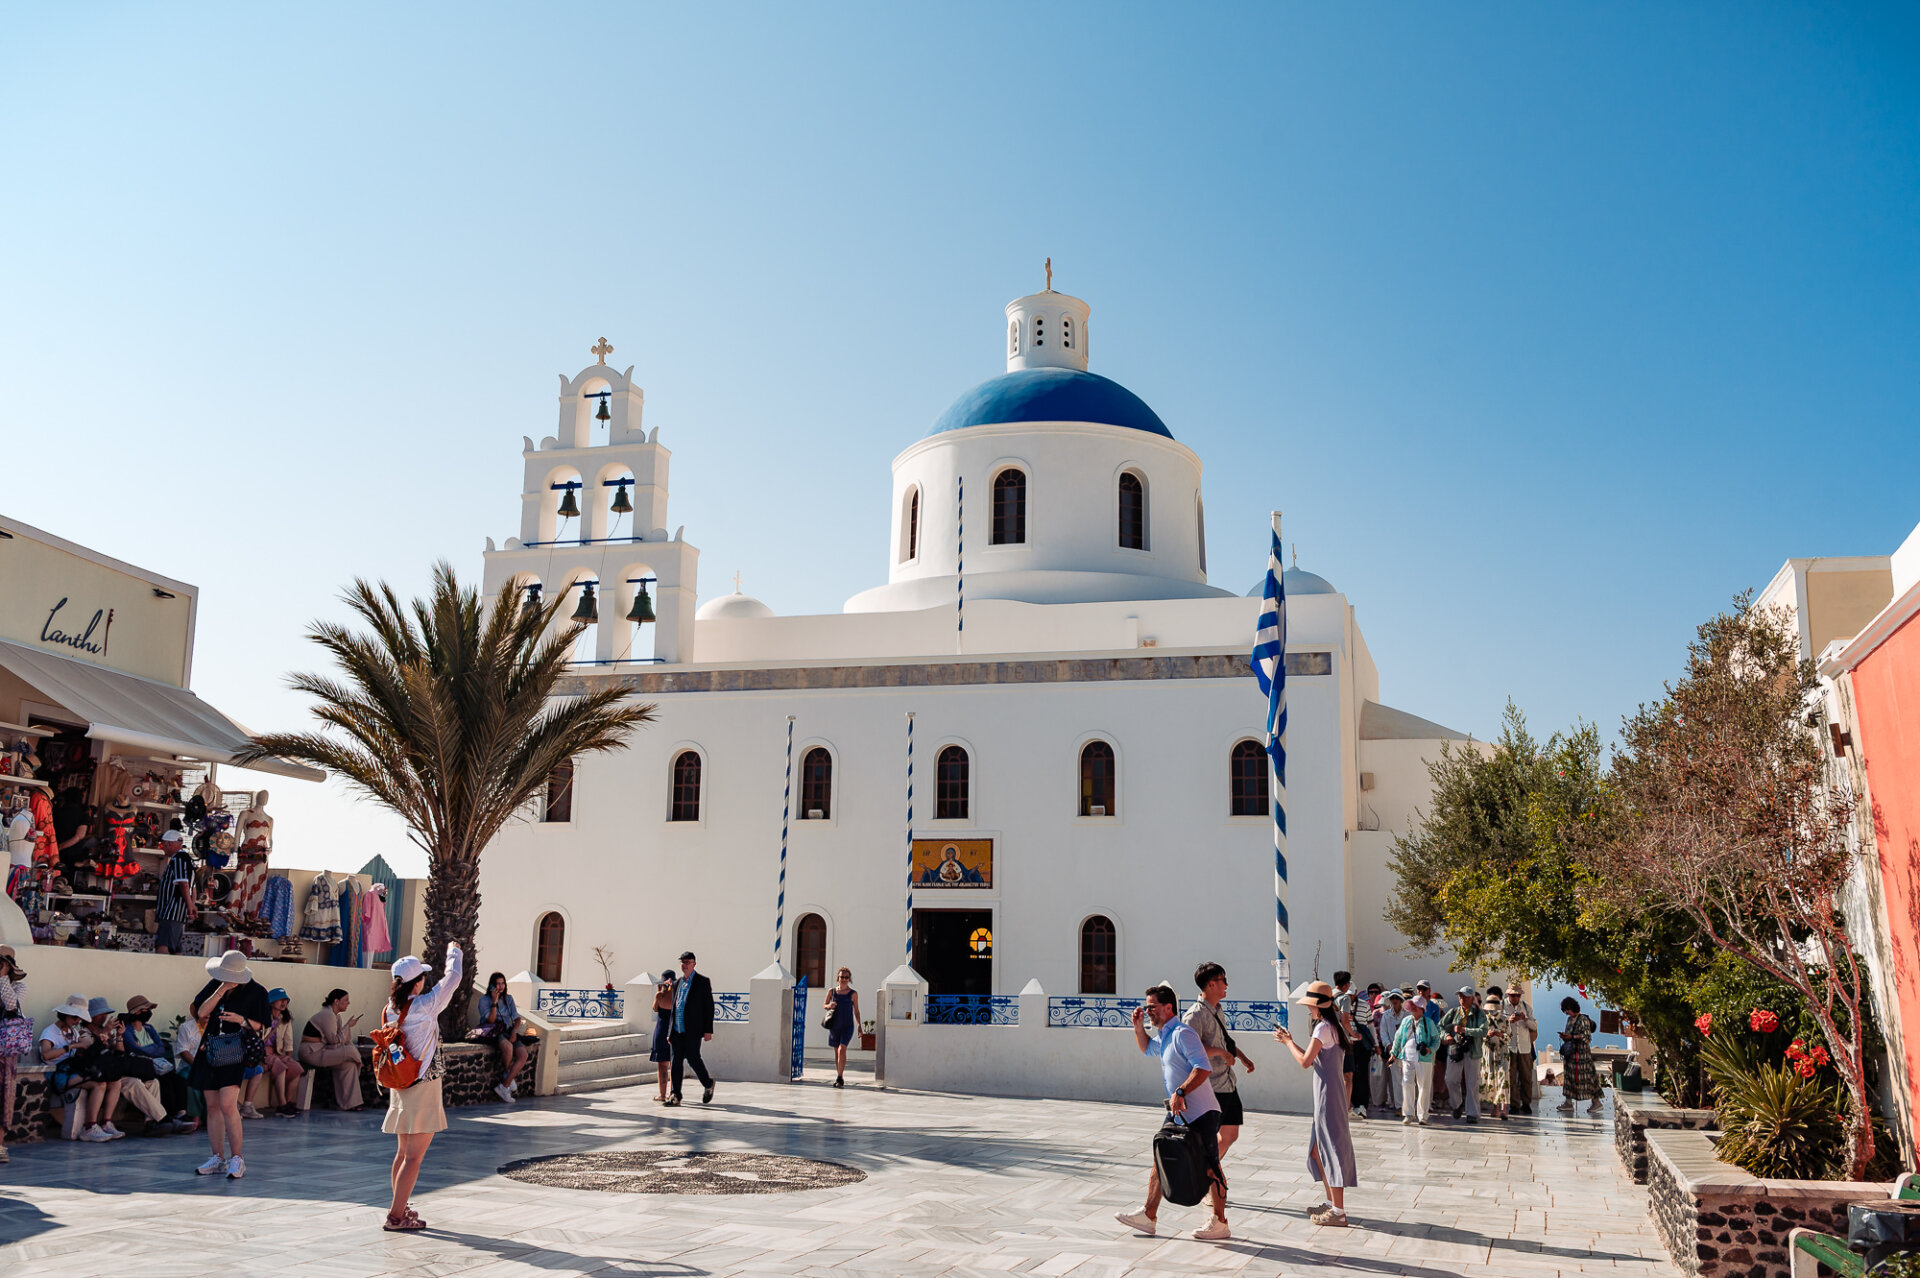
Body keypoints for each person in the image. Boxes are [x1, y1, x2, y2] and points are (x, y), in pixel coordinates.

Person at [1116, 983, 1230, 1242]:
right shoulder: (1165, 1035)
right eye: (1146, 1007)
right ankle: (1148, 1215)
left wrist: (1181, 1091)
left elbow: (1203, 1067)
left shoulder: (1183, 1033)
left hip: (1201, 1112)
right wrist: (1138, 1028)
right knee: (1160, 1156)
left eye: (1152, 1007)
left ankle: (1220, 1222)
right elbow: (1146, 1048)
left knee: (1210, 1166)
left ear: (1168, 1007)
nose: (1148, 1012)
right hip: (1180, 1111)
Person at [382, 942, 464, 1232]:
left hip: (400, 1085)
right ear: (417, 982)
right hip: (423, 1085)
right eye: (423, 978)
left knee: (403, 1154)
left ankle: (400, 1207)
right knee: (414, 1157)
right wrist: (454, 951)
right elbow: (453, 978)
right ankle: (396, 1216)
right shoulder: (425, 1006)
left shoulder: (390, 1009)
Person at [1277, 981, 1358, 1226]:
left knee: (1330, 1151)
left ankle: (1338, 1211)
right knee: (1317, 1152)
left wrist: (1287, 1043)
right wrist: (1291, 1042)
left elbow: (1304, 1062)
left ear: (1317, 1006)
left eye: (1310, 1005)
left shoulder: (1323, 1028)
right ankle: (1333, 1204)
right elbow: (1313, 1058)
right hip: (1328, 1094)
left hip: (1327, 1096)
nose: (1308, 1009)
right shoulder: (1331, 1027)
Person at [189, 949, 271, 1178]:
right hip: (211, 1048)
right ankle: (217, 1157)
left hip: (235, 1051)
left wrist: (241, 1020)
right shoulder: (216, 984)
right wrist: (221, 990)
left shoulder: (257, 992)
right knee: (212, 1105)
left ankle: (237, 1158)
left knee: (227, 1104)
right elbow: (201, 1012)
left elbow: (263, 1025)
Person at [1184, 961, 1255, 1162]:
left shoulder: (1217, 1010)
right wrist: (1221, 1053)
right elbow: (1190, 1050)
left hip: (1227, 1083)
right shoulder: (1194, 1015)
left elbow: (1222, 1040)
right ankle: (1202, 1170)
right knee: (1205, 1137)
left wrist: (1241, 1057)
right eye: (1223, 980)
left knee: (1230, 1134)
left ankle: (1208, 1169)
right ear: (1211, 984)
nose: (1227, 984)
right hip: (1210, 1087)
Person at [40, 993, 121, 1141]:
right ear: (64, 1014)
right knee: (99, 1084)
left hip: (73, 1069)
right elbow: (46, 1055)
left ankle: (106, 1122)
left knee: (114, 1082)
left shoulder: (73, 1032)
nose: (77, 1021)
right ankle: (89, 1127)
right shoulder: (50, 1032)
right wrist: (72, 1046)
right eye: (74, 1017)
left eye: (78, 1018)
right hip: (58, 1074)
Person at [122, 995, 193, 1133]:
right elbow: (134, 1048)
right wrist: (151, 1048)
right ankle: (169, 1117)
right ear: (137, 1011)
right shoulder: (127, 1031)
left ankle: (181, 1114)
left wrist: (146, 1048)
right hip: (143, 1067)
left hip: (157, 1065)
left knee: (178, 1079)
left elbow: (161, 1048)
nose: (149, 1012)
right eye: (146, 1009)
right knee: (163, 1081)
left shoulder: (149, 1028)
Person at [299, 989, 365, 1111]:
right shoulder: (327, 1015)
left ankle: (350, 1104)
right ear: (336, 1001)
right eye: (346, 1000)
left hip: (323, 1050)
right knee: (350, 1051)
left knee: (349, 1065)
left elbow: (342, 1040)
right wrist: (348, 1026)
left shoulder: (336, 1017)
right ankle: (360, 1062)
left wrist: (346, 1027)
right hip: (311, 1052)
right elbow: (334, 1040)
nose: (348, 1003)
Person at [667, 950, 715, 1107]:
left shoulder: (702, 982)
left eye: (688, 962)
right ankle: (675, 1094)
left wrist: (708, 1030)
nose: (685, 965)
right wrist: (670, 1031)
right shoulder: (677, 983)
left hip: (693, 1030)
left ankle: (708, 1083)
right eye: (683, 962)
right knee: (676, 1062)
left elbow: (709, 1007)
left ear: (694, 964)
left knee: (694, 1059)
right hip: (677, 1030)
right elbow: (674, 1009)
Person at [474, 972, 528, 1103]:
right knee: (508, 1048)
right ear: (492, 985)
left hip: (508, 1031)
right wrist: (494, 1002)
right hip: (493, 1032)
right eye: (498, 984)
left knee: (523, 1055)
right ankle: (507, 1079)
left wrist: (514, 1032)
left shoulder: (508, 999)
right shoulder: (484, 1000)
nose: (501, 986)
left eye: (503, 983)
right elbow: (491, 1020)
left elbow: (516, 1018)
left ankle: (505, 1083)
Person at [1391, 989, 1440, 1125]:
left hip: (1424, 1058)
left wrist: (1430, 1050)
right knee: (1407, 1084)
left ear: (1422, 1008)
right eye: (1412, 1005)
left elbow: (1436, 1040)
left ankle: (1423, 1115)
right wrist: (1393, 1053)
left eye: (1416, 1006)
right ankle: (1408, 1114)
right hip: (1407, 1057)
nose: (1413, 1008)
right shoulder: (1406, 1021)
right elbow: (1398, 1037)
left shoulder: (1429, 1023)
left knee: (1424, 1086)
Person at [253, 988, 303, 1116]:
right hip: (261, 1054)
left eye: (285, 1000)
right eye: (280, 1000)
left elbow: (288, 1042)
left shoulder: (284, 1019)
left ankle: (288, 1102)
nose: (283, 1003)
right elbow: (253, 1038)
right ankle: (282, 1104)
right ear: (271, 1002)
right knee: (279, 1066)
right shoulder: (261, 1017)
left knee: (296, 1068)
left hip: (276, 1053)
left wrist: (288, 1059)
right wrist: (262, 1051)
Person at [1440, 987, 1486, 1123]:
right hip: (1455, 1049)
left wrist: (1465, 1030)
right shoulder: (1453, 1012)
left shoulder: (1479, 1013)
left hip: (1473, 1051)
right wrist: (1447, 1036)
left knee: (1472, 1084)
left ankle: (1472, 1113)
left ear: (1471, 998)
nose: (1462, 999)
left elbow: (1483, 1031)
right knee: (1450, 1079)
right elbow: (1440, 1026)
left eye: (1465, 996)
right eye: (1460, 996)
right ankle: (1457, 1104)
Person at [0, 946, 27, 1162]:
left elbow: (11, 1005)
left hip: (6, 1052)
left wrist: (2, 978)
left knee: (4, 1097)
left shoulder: (18, 986)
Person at [1556, 997, 1603, 1116]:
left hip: (1582, 1056)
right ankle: (1568, 1102)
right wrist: (1565, 1037)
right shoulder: (1569, 1020)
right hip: (1571, 1056)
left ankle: (1596, 1102)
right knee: (1569, 1078)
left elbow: (1587, 1037)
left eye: (1567, 1009)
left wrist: (1572, 1037)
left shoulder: (1583, 1019)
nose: (1567, 1012)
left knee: (1588, 1079)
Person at [1331, 970, 1366, 1120]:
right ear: (1346, 984)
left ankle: (1334, 1106)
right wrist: (1354, 1034)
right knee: (1348, 1076)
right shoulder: (1344, 998)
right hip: (1343, 1042)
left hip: (1329, 1041)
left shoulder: (1328, 996)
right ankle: (1345, 1109)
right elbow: (1345, 1021)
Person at [154, 829, 195, 955]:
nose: (163, 847)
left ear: (170, 844)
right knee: (175, 948)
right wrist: (192, 905)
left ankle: (162, 967)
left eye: (163, 844)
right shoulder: (188, 860)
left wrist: (190, 907)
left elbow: (183, 883)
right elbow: (193, 886)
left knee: (163, 946)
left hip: (171, 911)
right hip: (176, 912)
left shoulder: (179, 859)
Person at [1504, 986, 1539, 1116]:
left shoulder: (1526, 1007)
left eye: (1518, 995)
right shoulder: (1502, 1006)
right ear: (1508, 995)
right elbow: (1498, 1024)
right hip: (1509, 1046)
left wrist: (1525, 1019)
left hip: (1524, 1047)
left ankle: (1526, 1103)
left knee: (1526, 1077)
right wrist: (1509, 1021)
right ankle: (1514, 1104)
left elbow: (1534, 1026)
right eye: (1513, 995)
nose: (1516, 998)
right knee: (1511, 1077)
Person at [824, 967, 861, 1088]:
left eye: (846, 977)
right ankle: (839, 1075)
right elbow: (825, 1005)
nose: (844, 979)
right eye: (842, 977)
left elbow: (856, 1011)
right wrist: (829, 1005)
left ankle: (839, 1077)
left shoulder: (853, 994)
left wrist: (859, 1025)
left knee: (842, 1050)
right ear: (838, 978)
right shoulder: (832, 991)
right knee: (837, 1052)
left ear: (849, 979)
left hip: (847, 1026)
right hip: (834, 1026)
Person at [1373, 990, 1406, 1114]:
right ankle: (1399, 1106)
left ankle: (1409, 1106)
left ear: (1401, 1000)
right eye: (1392, 998)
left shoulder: (1407, 1014)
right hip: (1392, 1051)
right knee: (1396, 1080)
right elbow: (1383, 1032)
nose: (1395, 1000)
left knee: (1408, 1079)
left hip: (1407, 1051)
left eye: (1397, 998)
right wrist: (1388, 1045)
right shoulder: (1386, 1015)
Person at [1480, 990, 1510, 1120]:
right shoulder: (1484, 1021)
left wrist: (1500, 1035)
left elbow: (1509, 1037)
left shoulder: (1505, 1020)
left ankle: (1504, 1109)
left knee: (1503, 1078)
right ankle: (1495, 1108)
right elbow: (1480, 1036)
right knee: (1492, 1079)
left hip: (1502, 1052)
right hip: (1489, 1053)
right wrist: (1486, 1036)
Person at [649, 968, 676, 1102]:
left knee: (662, 1065)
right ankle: (674, 1094)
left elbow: (655, 1008)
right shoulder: (677, 996)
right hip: (674, 1030)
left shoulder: (660, 995)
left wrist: (660, 991)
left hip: (661, 1030)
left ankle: (662, 1094)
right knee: (674, 1064)